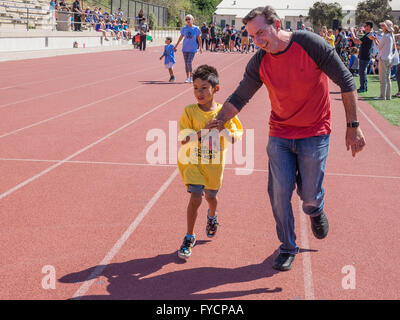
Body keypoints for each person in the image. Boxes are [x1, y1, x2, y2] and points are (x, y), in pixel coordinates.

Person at [206, 6, 366, 271]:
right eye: (252, 36)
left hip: (315, 132)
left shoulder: (310, 44)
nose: (257, 41)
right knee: (279, 194)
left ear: (277, 24)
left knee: (310, 195)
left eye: (261, 33)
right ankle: (288, 246)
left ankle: (315, 209)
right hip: (280, 133)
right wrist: (220, 120)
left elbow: (347, 81)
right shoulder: (260, 61)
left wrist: (353, 125)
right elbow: (240, 96)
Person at [177, 65, 243, 259]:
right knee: (196, 196)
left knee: (211, 197)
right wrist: (204, 130)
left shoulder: (225, 112)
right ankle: (189, 236)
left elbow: (234, 138)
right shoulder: (189, 111)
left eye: (204, 87)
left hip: (214, 163)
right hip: (193, 162)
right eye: (196, 88)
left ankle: (212, 216)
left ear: (216, 89)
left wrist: (222, 128)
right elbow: (184, 139)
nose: (199, 92)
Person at [370, 20, 395, 100]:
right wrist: (376, 39)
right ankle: (388, 96)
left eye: (383, 26)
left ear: (386, 27)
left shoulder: (385, 36)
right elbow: (381, 46)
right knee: (388, 78)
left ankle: (382, 96)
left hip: (384, 59)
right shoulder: (390, 35)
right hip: (389, 58)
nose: (382, 27)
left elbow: (379, 47)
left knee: (383, 79)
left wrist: (374, 39)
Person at [173, 14, 202, 83]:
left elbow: (199, 38)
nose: (188, 20)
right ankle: (187, 77)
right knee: (186, 63)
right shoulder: (184, 28)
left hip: (193, 48)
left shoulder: (196, 28)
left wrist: (200, 47)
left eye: (189, 19)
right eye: (186, 19)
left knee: (189, 62)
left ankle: (191, 76)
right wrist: (176, 45)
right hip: (185, 48)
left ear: (192, 20)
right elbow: (181, 37)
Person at [350, 21, 374, 93]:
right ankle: (363, 87)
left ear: (369, 27)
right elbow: (357, 40)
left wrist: (352, 32)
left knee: (362, 72)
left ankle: (363, 87)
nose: (365, 27)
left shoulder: (369, 35)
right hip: (364, 56)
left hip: (365, 56)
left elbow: (357, 41)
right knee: (362, 72)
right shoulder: (367, 34)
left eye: (366, 25)